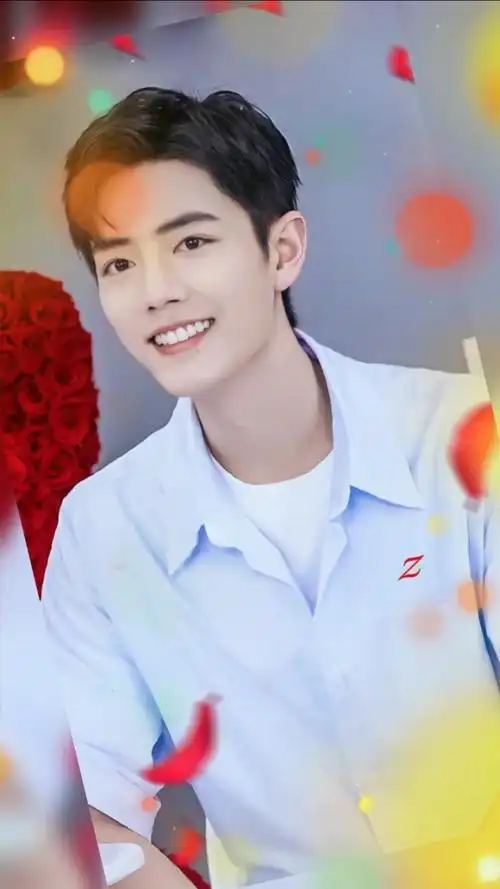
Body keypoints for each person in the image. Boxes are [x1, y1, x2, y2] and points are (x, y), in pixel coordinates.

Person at [41, 87, 500, 889]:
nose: (155, 290)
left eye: (190, 242)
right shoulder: (104, 528)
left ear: (282, 250)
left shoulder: (461, 436)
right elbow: (79, 812)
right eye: (119, 262)